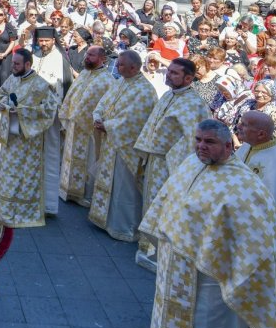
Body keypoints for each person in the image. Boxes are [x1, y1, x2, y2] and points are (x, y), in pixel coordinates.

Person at [140, 119, 276, 328]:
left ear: (228, 146)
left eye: (209, 142)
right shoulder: (191, 166)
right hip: (180, 268)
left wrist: (235, 270)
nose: (200, 146)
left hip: (216, 277)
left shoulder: (244, 185)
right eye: (198, 140)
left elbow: (259, 238)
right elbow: (170, 201)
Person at [133, 58, 212, 270]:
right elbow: (153, 125)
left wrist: (175, 164)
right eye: (168, 71)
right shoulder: (168, 95)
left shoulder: (194, 103)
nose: (168, 75)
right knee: (151, 202)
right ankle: (148, 246)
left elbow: (191, 139)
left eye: (174, 73)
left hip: (170, 164)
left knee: (164, 205)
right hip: (155, 159)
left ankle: (160, 252)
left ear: (188, 78)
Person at [86, 50, 157, 241]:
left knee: (123, 186)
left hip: (125, 146)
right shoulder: (121, 81)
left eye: (120, 65)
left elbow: (134, 120)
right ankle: (104, 219)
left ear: (134, 67)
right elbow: (104, 103)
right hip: (112, 141)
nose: (116, 68)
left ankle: (124, 227)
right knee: (109, 181)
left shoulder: (145, 91)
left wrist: (107, 125)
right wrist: (98, 116)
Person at [0, 49, 62, 228]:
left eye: (16, 64)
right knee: (8, 172)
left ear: (27, 65)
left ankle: (22, 212)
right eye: (12, 63)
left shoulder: (42, 85)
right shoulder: (12, 78)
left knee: (23, 176)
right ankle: (4, 209)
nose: (12, 67)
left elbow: (49, 110)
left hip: (28, 142)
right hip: (10, 136)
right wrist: (5, 105)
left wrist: (23, 110)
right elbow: (1, 95)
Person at [56, 46, 114, 206]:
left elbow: (105, 106)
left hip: (89, 129)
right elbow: (72, 95)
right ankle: (67, 190)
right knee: (70, 158)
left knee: (87, 159)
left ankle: (84, 194)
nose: (87, 57)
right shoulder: (84, 74)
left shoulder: (107, 80)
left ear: (102, 58)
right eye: (87, 54)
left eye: (91, 55)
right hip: (74, 124)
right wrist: (67, 116)